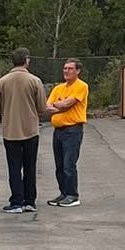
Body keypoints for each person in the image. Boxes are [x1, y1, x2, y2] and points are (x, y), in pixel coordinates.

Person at [0, 49, 51, 214]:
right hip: (31, 130)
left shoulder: (3, 81)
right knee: (30, 166)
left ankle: (16, 201)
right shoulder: (35, 81)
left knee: (14, 167)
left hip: (11, 130)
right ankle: (30, 201)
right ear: (26, 60)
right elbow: (42, 107)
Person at [46, 57, 89, 206]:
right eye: (65, 68)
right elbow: (48, 106)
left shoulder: (81, 86)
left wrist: (59, 105)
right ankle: (63, 192)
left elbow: (69, 103)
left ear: (77, 71)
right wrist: (60, 105)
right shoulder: (58, 88)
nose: (66, 71)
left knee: (68, 164)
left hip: (72, 130)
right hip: (58, 130)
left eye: (70, 68)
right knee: (59, 165)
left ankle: (72, 195)